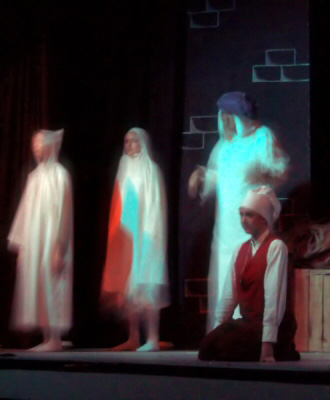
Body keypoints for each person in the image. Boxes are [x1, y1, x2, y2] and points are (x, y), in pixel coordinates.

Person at [188, 92, 288, 330]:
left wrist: (265, 174)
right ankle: (222, 332)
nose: (224, 120)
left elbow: (279, 170)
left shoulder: (261, 138)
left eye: (229, 115)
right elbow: (216, 177)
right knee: (225, 274)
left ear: (240, 117)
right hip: (226, 227)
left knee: (250, 276)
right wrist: (202, 177)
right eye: (222, 115)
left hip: (252, 224)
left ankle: (251, 332)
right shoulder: (223, 147)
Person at [198, 186, 299, 362]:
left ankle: (280, 348)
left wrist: (267, 345)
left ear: (263, 219)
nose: (243, 220)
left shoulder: (275, 247)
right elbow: (229, 295)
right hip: (249, 324)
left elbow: (274, 296)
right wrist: (216, 330)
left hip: (271, 327)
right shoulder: (240, 250)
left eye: (249, 215)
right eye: (241, 215)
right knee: (208, 348)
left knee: (225, 348)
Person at [101, 128, 169, 351]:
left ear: (143, 144)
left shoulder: (151, 169)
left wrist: (151, 238)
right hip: (127, 238)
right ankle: (133, 337)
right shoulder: (124, 168)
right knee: (129, 289)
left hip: (146, 236)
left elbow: (155, 207)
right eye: (126, 141)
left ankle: (152, 338)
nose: (129, 145)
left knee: (147, 286)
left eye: (134, 141)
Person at [8, 129, 73, 351]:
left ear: (50, 146)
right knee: (41, 283)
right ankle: (49, 337)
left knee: (53, 283)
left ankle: (54, 337)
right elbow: (25, 212)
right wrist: (22, 245)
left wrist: (59, 248)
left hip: (52, 240)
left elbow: (64, 214)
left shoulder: (60, 175)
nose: (35, 148)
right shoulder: (34, 177)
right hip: (36, 240)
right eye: (33, 144)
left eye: (39, 143)